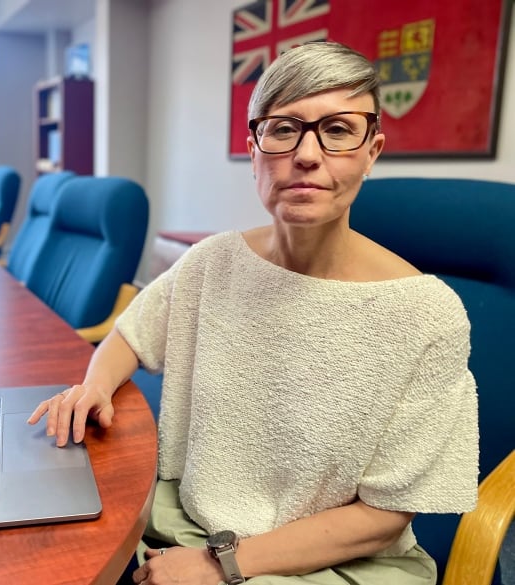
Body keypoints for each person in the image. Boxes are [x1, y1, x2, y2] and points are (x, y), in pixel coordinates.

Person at [28, 41, 478, 585]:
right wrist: (95, 386)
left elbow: (383, 519)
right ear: (253, 147)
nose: (307, 154)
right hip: (192, 521)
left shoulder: (428, 314)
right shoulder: (214, 262)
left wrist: (222, 564)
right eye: (283, 128)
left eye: (337, 130)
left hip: (338, 562)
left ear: (372, 150)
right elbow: (131, 333)